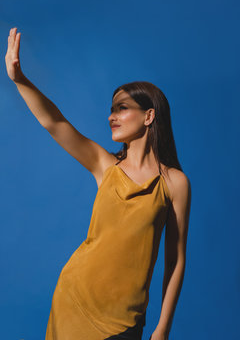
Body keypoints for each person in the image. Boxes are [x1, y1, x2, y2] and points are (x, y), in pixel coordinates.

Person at [5, 27, 191, 340]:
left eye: (122, 108)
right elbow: (55, 122)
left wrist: (163, 328)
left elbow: (176, 260)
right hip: (74, 300)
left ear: (149, 116)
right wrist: (19, 78)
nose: (112, 117)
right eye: (111, 110)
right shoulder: (105, 165)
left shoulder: (174, 183)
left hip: (125, 319)